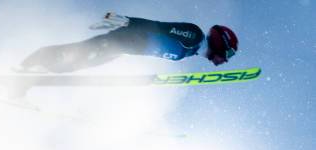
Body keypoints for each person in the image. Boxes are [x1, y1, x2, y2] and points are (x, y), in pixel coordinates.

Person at [19, 12, 238, 73]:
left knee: (75, 65)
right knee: (76, 54)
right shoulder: (194, 36)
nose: (224, 61)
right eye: (227, 55)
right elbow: (157, 26)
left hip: (121, 49)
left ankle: (26, 80)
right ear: (221, 43)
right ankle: (30, 64)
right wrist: (125, 21)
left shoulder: (191, 52)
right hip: (123, 40)